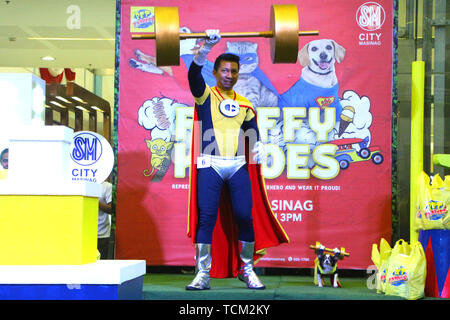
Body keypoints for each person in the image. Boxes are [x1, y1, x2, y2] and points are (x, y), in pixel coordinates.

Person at [186, 30, 289, 290]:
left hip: (238, 166)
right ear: (217, 72)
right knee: (206, 217)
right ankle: (202, 273)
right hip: (210, 162)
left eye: (233, 71)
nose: (229, 75)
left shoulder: (245, 103)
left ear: (238, 73)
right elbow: (193, 76)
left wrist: (260, 146)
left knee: (245, 215)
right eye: (224, 70)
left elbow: (252, 135)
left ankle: (248, 269)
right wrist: (205, 50)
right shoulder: (205, 95)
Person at [98, 180, 113, 259]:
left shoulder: (107, 186)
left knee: (100, 264)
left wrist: (94, 201)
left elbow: (111, 209)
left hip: (101, 234)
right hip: (81, 233)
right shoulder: (77, 183)